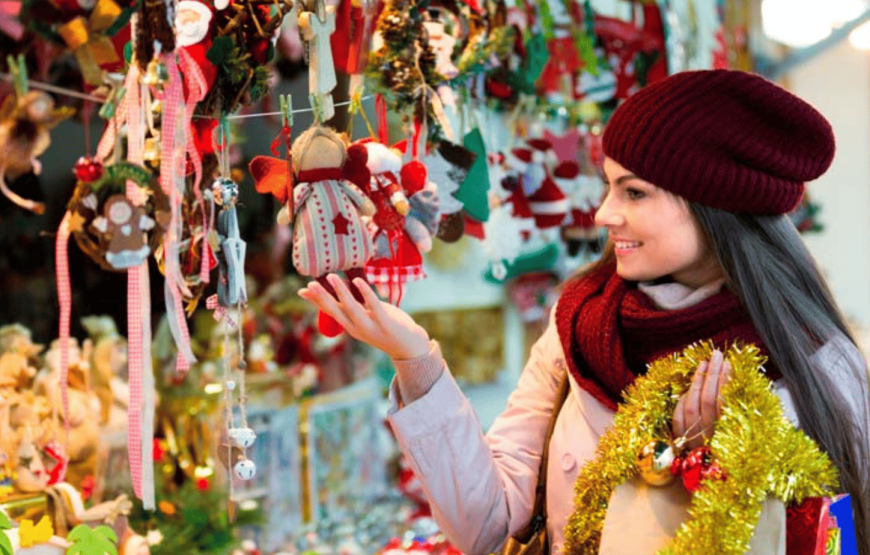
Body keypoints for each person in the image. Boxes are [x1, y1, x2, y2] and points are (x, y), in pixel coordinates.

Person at [298, 69, 870, 555]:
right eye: (607, 187)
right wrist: (416, 360)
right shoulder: (580, 323)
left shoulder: (819, 365)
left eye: (634, 192)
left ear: (715, 205)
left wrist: (707, 470)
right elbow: (487, 527)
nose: (602, 214)